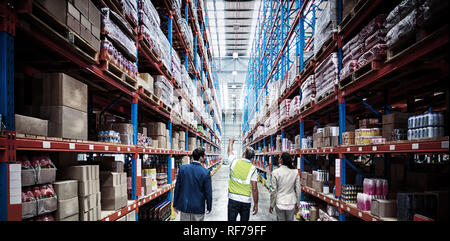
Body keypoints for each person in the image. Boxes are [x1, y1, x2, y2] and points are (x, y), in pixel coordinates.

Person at [173, 148, 212, 221]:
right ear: (200, 157)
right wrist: (209, 207)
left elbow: (177, 188)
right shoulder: (205, 172)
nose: (205, 157)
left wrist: (175, 204)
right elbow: (208, 193)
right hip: (198, 208)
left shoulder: (183, 169)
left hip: (185, 207)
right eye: (205, 156)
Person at [227, 138, 258, 221]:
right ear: (252, 158)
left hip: (233, 198)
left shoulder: (234, 162)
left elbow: (229, 152)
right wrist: (256, 203)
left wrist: (231, 142)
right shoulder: (253, 168)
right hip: (246, 201)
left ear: (243, 154)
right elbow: (254, 189)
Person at [269, 152, 301, 221]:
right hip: (291, 203)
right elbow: (298, 189)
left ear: (281, 160)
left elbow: (274, 191)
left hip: (280, 202)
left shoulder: (275, 172)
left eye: (280, 157)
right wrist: (298, 204)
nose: (279, 159)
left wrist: (271, 205)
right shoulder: (295, 172)